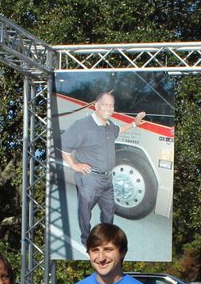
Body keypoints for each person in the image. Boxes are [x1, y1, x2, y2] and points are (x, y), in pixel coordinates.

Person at [59, 91, 147, 245]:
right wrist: (74, 164)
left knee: (109, 211)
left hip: (107, 178)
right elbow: (63, 145)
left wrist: (134, 123)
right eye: (105, 104)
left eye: (111, 105)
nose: (108, 108)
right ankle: (86, 239)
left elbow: (119, 131)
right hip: (89, 178)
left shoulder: (110, 125)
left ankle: (107, 238)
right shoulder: (82, 125)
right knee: (85, 212)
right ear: (96, 106)